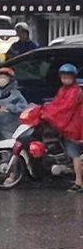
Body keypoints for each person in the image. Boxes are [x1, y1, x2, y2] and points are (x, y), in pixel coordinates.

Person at [43, 64, 83, 192]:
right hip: (68, 125)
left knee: (74, 153)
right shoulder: (63, 90)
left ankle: (79, 182)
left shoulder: (76, 91)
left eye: (68, 77)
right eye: (63, 77)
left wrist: (50, 113)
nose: (65, 80)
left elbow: (66, 108)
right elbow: (57, 103)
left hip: (74, 126)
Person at [0, 66, 29, 138]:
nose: (1, 80)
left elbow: (22, 107)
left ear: (11, 79)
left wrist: (8, 108)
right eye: (0, 77)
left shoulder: (16, 95)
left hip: (9, 127)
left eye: (4, 77)